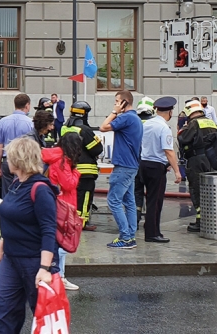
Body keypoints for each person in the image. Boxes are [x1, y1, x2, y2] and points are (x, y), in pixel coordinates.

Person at [0, 137, 58, 334]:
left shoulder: (41, 189)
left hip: (34, 260)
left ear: (19, 160)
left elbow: (48, 229)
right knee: (1, 306)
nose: (5, 161)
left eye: (8, 157)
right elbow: (10, 219)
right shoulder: (16, 183)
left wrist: (45, 268)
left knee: (43, 314)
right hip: (11, 258)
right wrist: (1, 248)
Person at [100, 91, 143, 249]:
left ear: (125, 102)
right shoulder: (136, 119)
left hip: (123, 166)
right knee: (129, 201)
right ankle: (130, 235)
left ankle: (125, 237)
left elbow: (103, 127)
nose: (115, 104)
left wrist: (114, 112)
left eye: (117, 101)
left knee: (114, 201)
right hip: (131, 165)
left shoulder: (126, 117)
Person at [43, 133, 82, 291]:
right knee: (61, 244)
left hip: (59, 205)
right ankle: (59, 277)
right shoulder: (63, 162)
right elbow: (69, 184)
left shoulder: (57, 159)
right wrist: (77, 173)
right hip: (63, 206)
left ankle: (57, 275)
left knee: (58, 242)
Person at [140, 97, 181, 244]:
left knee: (149, 199)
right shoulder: (164, 127)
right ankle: (152, 233)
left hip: (143, 164)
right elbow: (169, 151)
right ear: (169, 112)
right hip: (156, 167)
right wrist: (177, 171)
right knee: (155, 201)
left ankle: (153, 230)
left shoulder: (147, 124)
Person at [59, 101, 103, 232]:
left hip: (69, 169)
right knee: (84, 197)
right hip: (86, 171)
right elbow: (97, 149)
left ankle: (70, 220)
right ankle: (82, 222)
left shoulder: (64, 128)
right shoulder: (85, 130)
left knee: (71, 197)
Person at [178, 99, 217, 233]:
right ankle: (211, 218)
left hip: (197, 159)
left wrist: (182, 129)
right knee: (210, 189)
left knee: (196, 188)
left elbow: (183, 138)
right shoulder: (211, 122)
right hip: (211, 160)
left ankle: (200, 221)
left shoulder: (193, 124)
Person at [0, 94, 34, 198]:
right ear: (27, 105)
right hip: (23, 161)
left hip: (7, 161)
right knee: (22, 192)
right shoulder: (30, 123)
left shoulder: (2, 122)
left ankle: (6, 212)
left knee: (7, 193)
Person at [134, 96, 156, 226]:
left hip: (135, 163)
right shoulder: (156, 123)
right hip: (152, 163)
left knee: (136, 191)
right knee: (152, 193)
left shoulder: (133, 122)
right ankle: (150, 222)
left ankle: (135, 219)